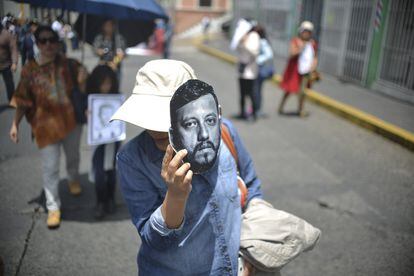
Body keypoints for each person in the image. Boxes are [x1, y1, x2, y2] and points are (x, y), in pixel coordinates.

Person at [111, 59, 262, 275]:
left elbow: (251, 186)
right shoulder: (132, 160)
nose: (155, 130)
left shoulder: (224, 132)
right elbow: (154, 240)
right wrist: (175, 196)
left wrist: (249, 255)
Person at [9, 25, 88, 229]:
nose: (48, 45)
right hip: (45, 128)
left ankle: (72, 178)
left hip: (71, 122)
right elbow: (22, 99)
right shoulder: (30, 70)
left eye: (51, 40)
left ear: (57, 42)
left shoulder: (68, 64)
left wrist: (83, 78)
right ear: (36, 43)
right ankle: (53, 207)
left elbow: (85, 84)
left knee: (73, 156)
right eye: (43, 41)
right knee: (50, 168)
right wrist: (15, 124)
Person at [86, 64, 121, 219]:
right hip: (98, 142)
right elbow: (81, 113)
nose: (106, 87)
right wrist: (86, 113)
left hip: (113, 141)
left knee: (111, 170)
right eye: (102, 83)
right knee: (99, 172)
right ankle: (100, 201)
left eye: (108, 83)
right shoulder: (91, 98)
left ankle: (110, 199)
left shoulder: (117, 98)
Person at [279, 21, 318, 117]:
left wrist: (313, 67)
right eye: (305, 31)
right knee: (289, 90)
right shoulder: (295, 41)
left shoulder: (312, 44)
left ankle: (300, 110)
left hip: (306, 71)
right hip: (295, 70)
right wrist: (301, 47)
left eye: (308, 32)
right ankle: (281, 106)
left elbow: (315, 57)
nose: (306, 34)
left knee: (302, 92)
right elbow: (292, 54)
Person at [233, 19, 260, 121]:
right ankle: (242, 112)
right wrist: (240, 42)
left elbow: (254, 52)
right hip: (242, 69)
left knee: (251, 93)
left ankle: (253, 114)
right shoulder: (241, 35)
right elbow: (236, 48)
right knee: (242, 94)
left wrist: (245, 43)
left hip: (251, 71)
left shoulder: (254, 36)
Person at [253, 25, 274, 117]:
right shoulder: (260, 41)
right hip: (256, 69)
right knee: (256, 90)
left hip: (259, 70)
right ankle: (256, 109)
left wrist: (257, 60)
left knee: (256, 90)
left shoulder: (262, 42)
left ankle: (257, 110)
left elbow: (269, 54)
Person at [0, 22, 18, 103]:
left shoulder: (6, 35)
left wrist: (14, 63)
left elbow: (13, 49)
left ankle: (12, 100)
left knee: (9, 84)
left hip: (5, 64)